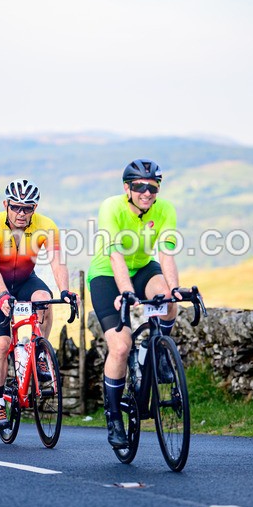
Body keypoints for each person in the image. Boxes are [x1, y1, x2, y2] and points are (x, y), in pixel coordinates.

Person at [87, 159, 181, 448]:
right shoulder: (111, 207)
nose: (147, 193)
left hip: (142, 268)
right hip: (106, 275)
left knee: (168, 300)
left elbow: (166, 254)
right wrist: (126, 292)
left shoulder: (165, 209)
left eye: (153, 187)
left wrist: (175, 289)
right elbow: (115, 255)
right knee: (120, 346)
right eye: (140, 187)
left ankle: (157, 349)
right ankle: (114, 416)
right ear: (127, 188)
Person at [0, 178, 74, 428]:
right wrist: (2, 295)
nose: (21, 213)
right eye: (16, 207)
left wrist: (65, 290)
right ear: (6, 205)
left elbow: (57, 262)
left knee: (44, 300)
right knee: (1, 344)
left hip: (24, 280)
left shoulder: (46, 226)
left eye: (27, 208)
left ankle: (39, 350)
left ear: (35, 208)